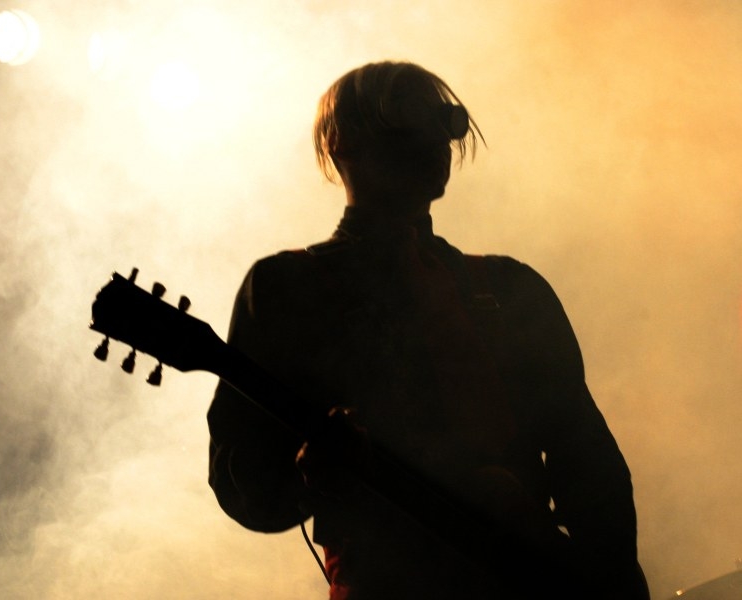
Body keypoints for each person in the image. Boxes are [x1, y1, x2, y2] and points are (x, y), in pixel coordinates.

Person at [207, 61, 648, 599]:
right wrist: (306, 476)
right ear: (343, 141)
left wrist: (612, 581)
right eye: (406, 119)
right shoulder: (287, 290)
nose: (436, 136)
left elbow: (590, 465)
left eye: (446, 119)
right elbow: (239, 475)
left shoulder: (510, 288)